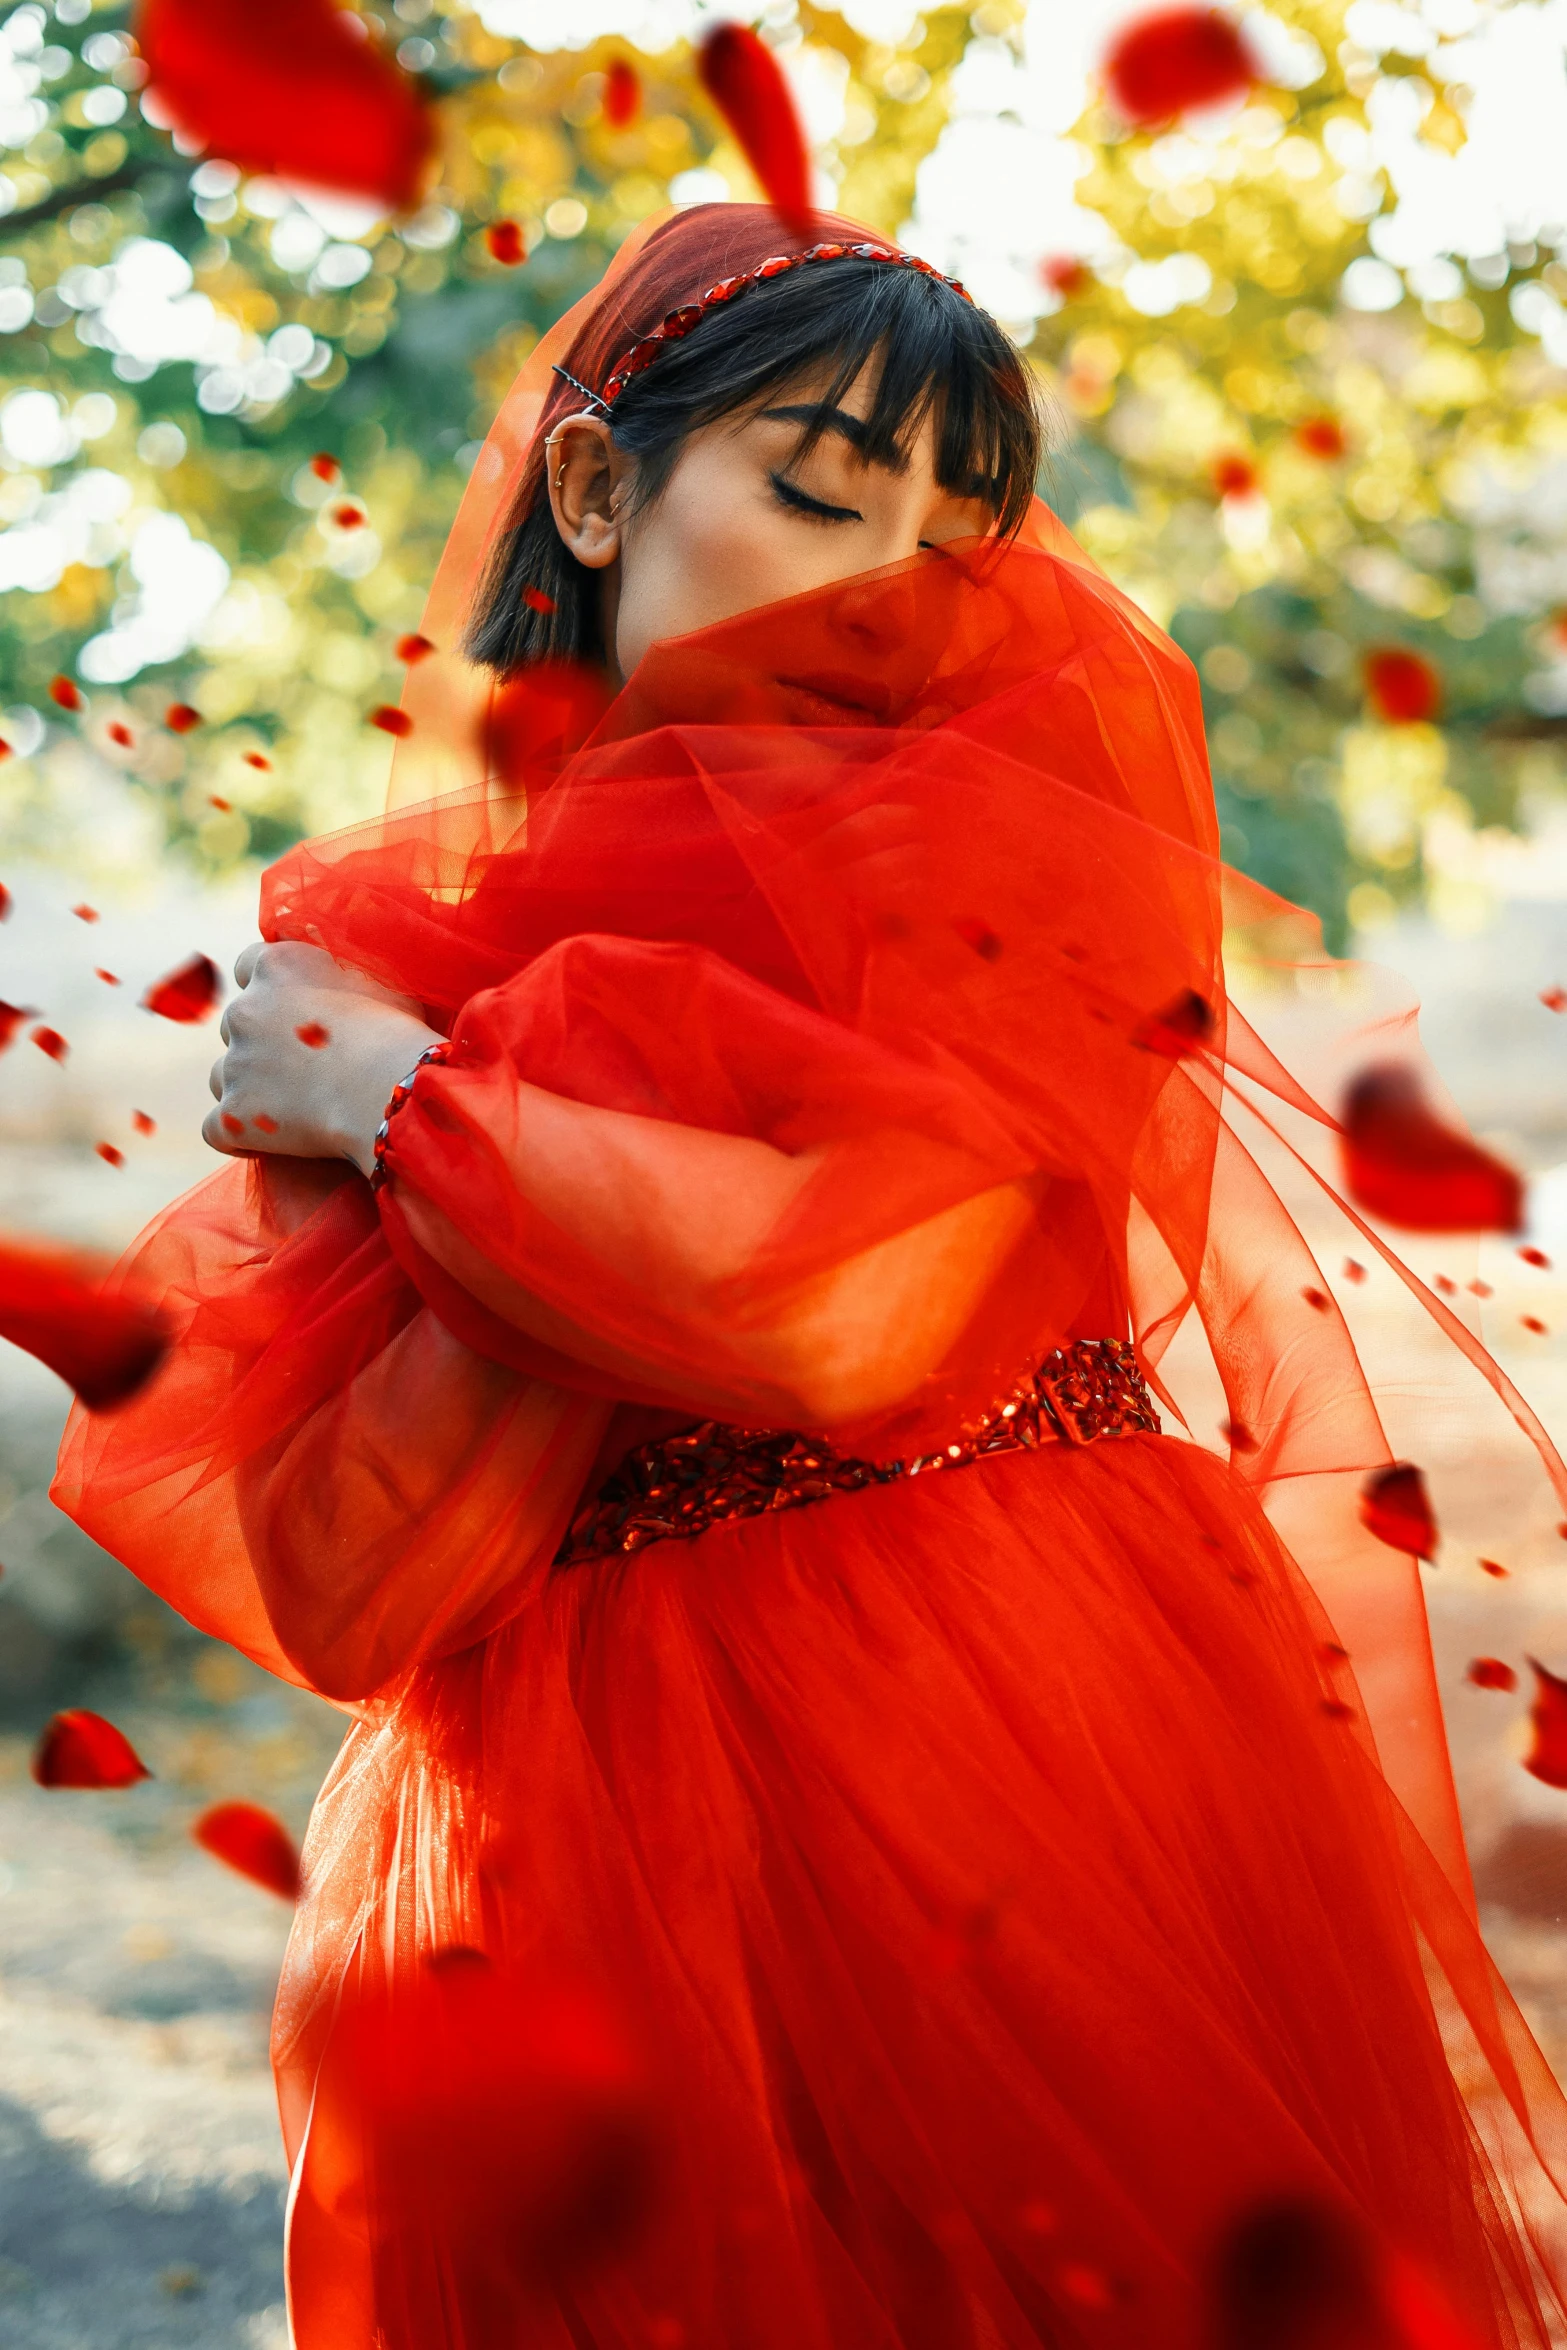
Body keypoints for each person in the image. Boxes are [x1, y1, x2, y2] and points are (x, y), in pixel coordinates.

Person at [53, 205, 1567, 2348]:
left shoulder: (978, 860)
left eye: (964, 521)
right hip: (566, 1806)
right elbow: (346, 1582)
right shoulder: (424, 957)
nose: (899, 577)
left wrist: (410, 1112)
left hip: (987, 1714)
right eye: (817, 490)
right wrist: (438, 1093)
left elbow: (840, 1308)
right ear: (596, 490)